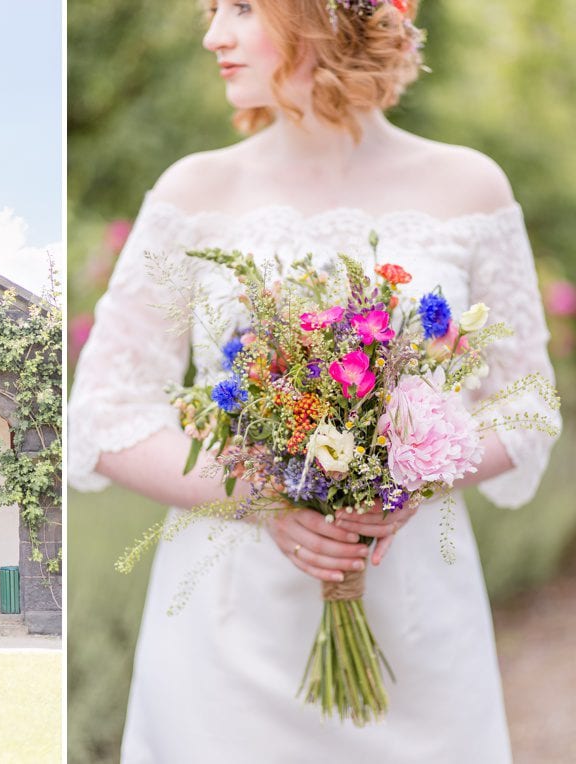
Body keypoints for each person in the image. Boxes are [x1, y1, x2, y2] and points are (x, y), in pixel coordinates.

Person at [68, 0, 561, 761]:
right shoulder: (191, 194)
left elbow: (527, 405)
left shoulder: (471, 187)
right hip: (229, 636)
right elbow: (104, 412)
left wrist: (405, 478)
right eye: (210, 11)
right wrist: (264, 495)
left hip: (415, 616)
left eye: (239, 7)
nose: (213, 36)